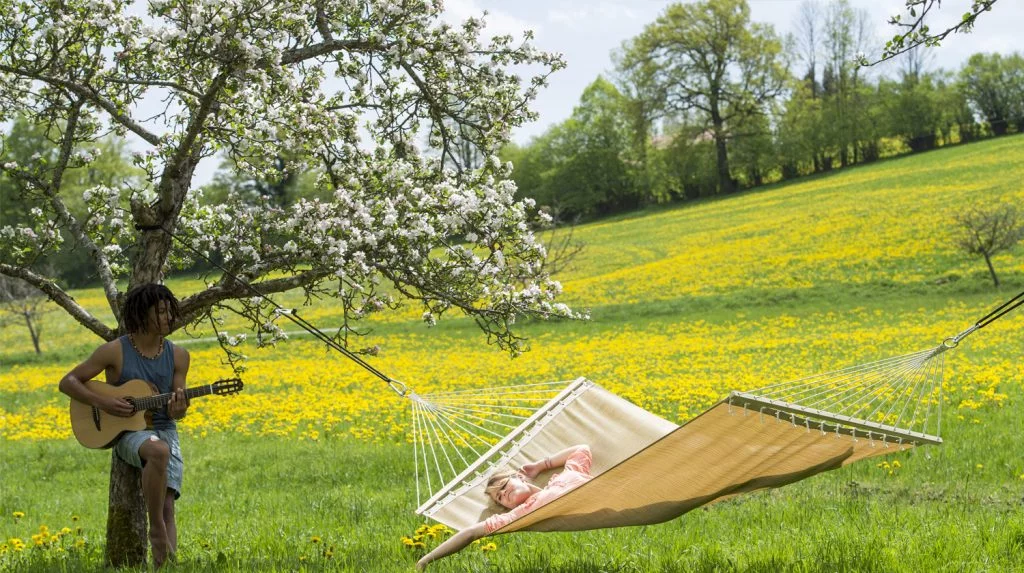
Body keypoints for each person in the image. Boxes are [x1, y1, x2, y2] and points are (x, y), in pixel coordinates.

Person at [58, 283, 190, 568]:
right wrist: (103, 403)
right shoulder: (114, 351)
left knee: (168, 504)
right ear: (143, 314)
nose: (169, 318)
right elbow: (67, 382)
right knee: (158, 452)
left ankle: (166, 566)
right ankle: (155, 529)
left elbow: (177, 410)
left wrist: (180, 409)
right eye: (161, 312)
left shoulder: (179, 355)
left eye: (170, 312)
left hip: (165, 428)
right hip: (129, 432)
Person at [416, 444, 593, 570]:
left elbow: (581, 449)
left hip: (607, 491)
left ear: (520, 478)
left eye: (503, 486)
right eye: (500, 498)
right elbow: (470, 533)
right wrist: (424, 560)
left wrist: (539, 466)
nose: (503, 494)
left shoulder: (565, 475)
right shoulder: (521, 513)